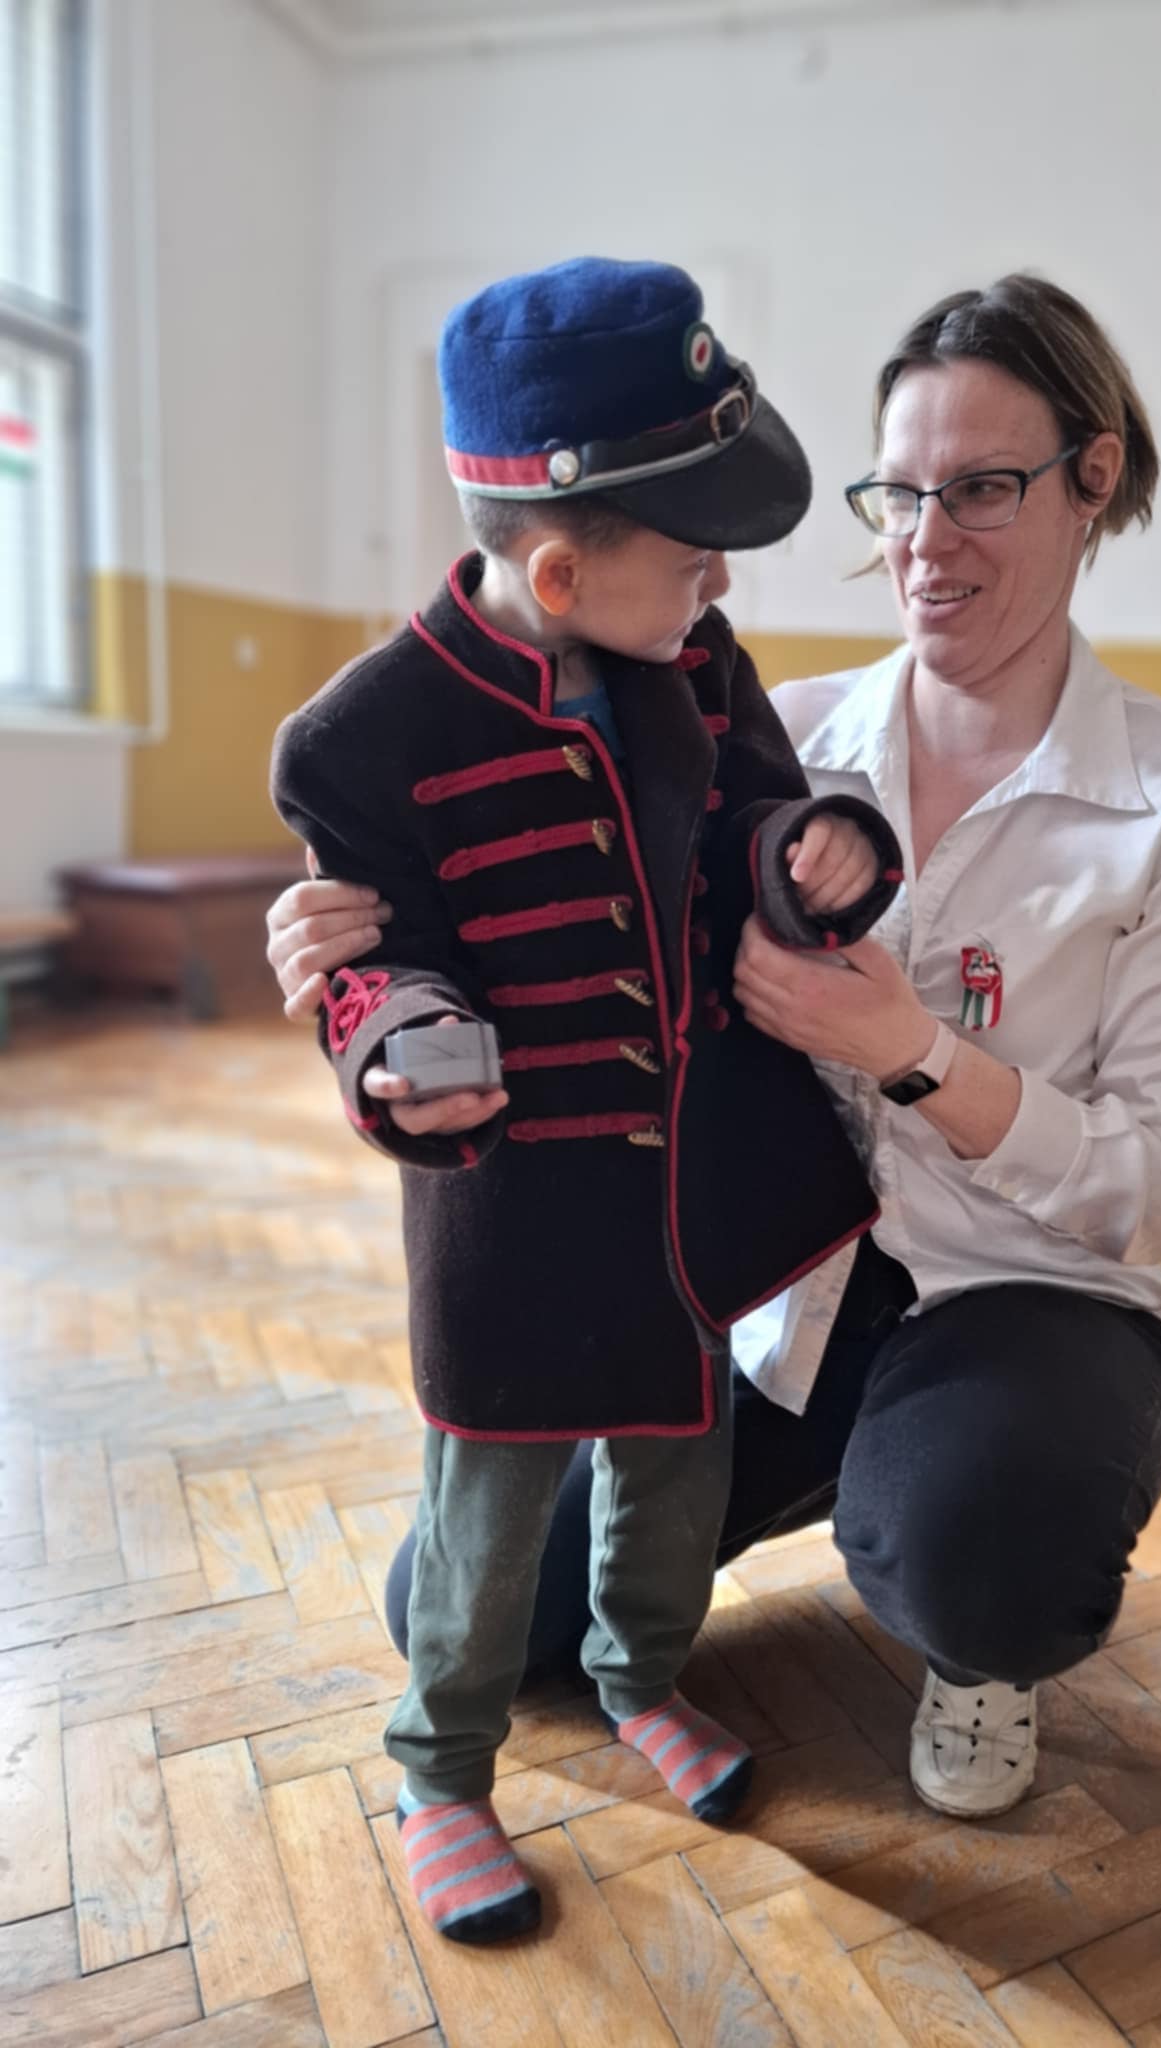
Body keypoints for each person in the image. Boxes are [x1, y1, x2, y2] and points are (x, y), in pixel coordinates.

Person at [267, 270, 1161, 1831]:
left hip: (1029, 1299)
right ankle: (825, 1502)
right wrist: (357, 978)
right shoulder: (764, 716)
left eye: (984, 489)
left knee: (980, 1546)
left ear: (1095, 479)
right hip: (771, 1283)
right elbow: (503, 920)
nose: (925, 541)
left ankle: (971, 1602)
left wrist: (913, 1052)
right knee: (462, 1611)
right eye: (900, 492)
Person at [270, 256, 902, 1946]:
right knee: (481, 1528)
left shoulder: (695, 664)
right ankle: (440, 1773)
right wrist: (393, 1044)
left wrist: (816, 851)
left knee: (681, 1466)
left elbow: (761, 817)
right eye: (694, 559)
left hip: (694, 1194)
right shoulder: (363, 739)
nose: (719, 586)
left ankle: (640, 1677)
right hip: (513, 1220)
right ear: (560, 570)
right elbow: (366, 961)